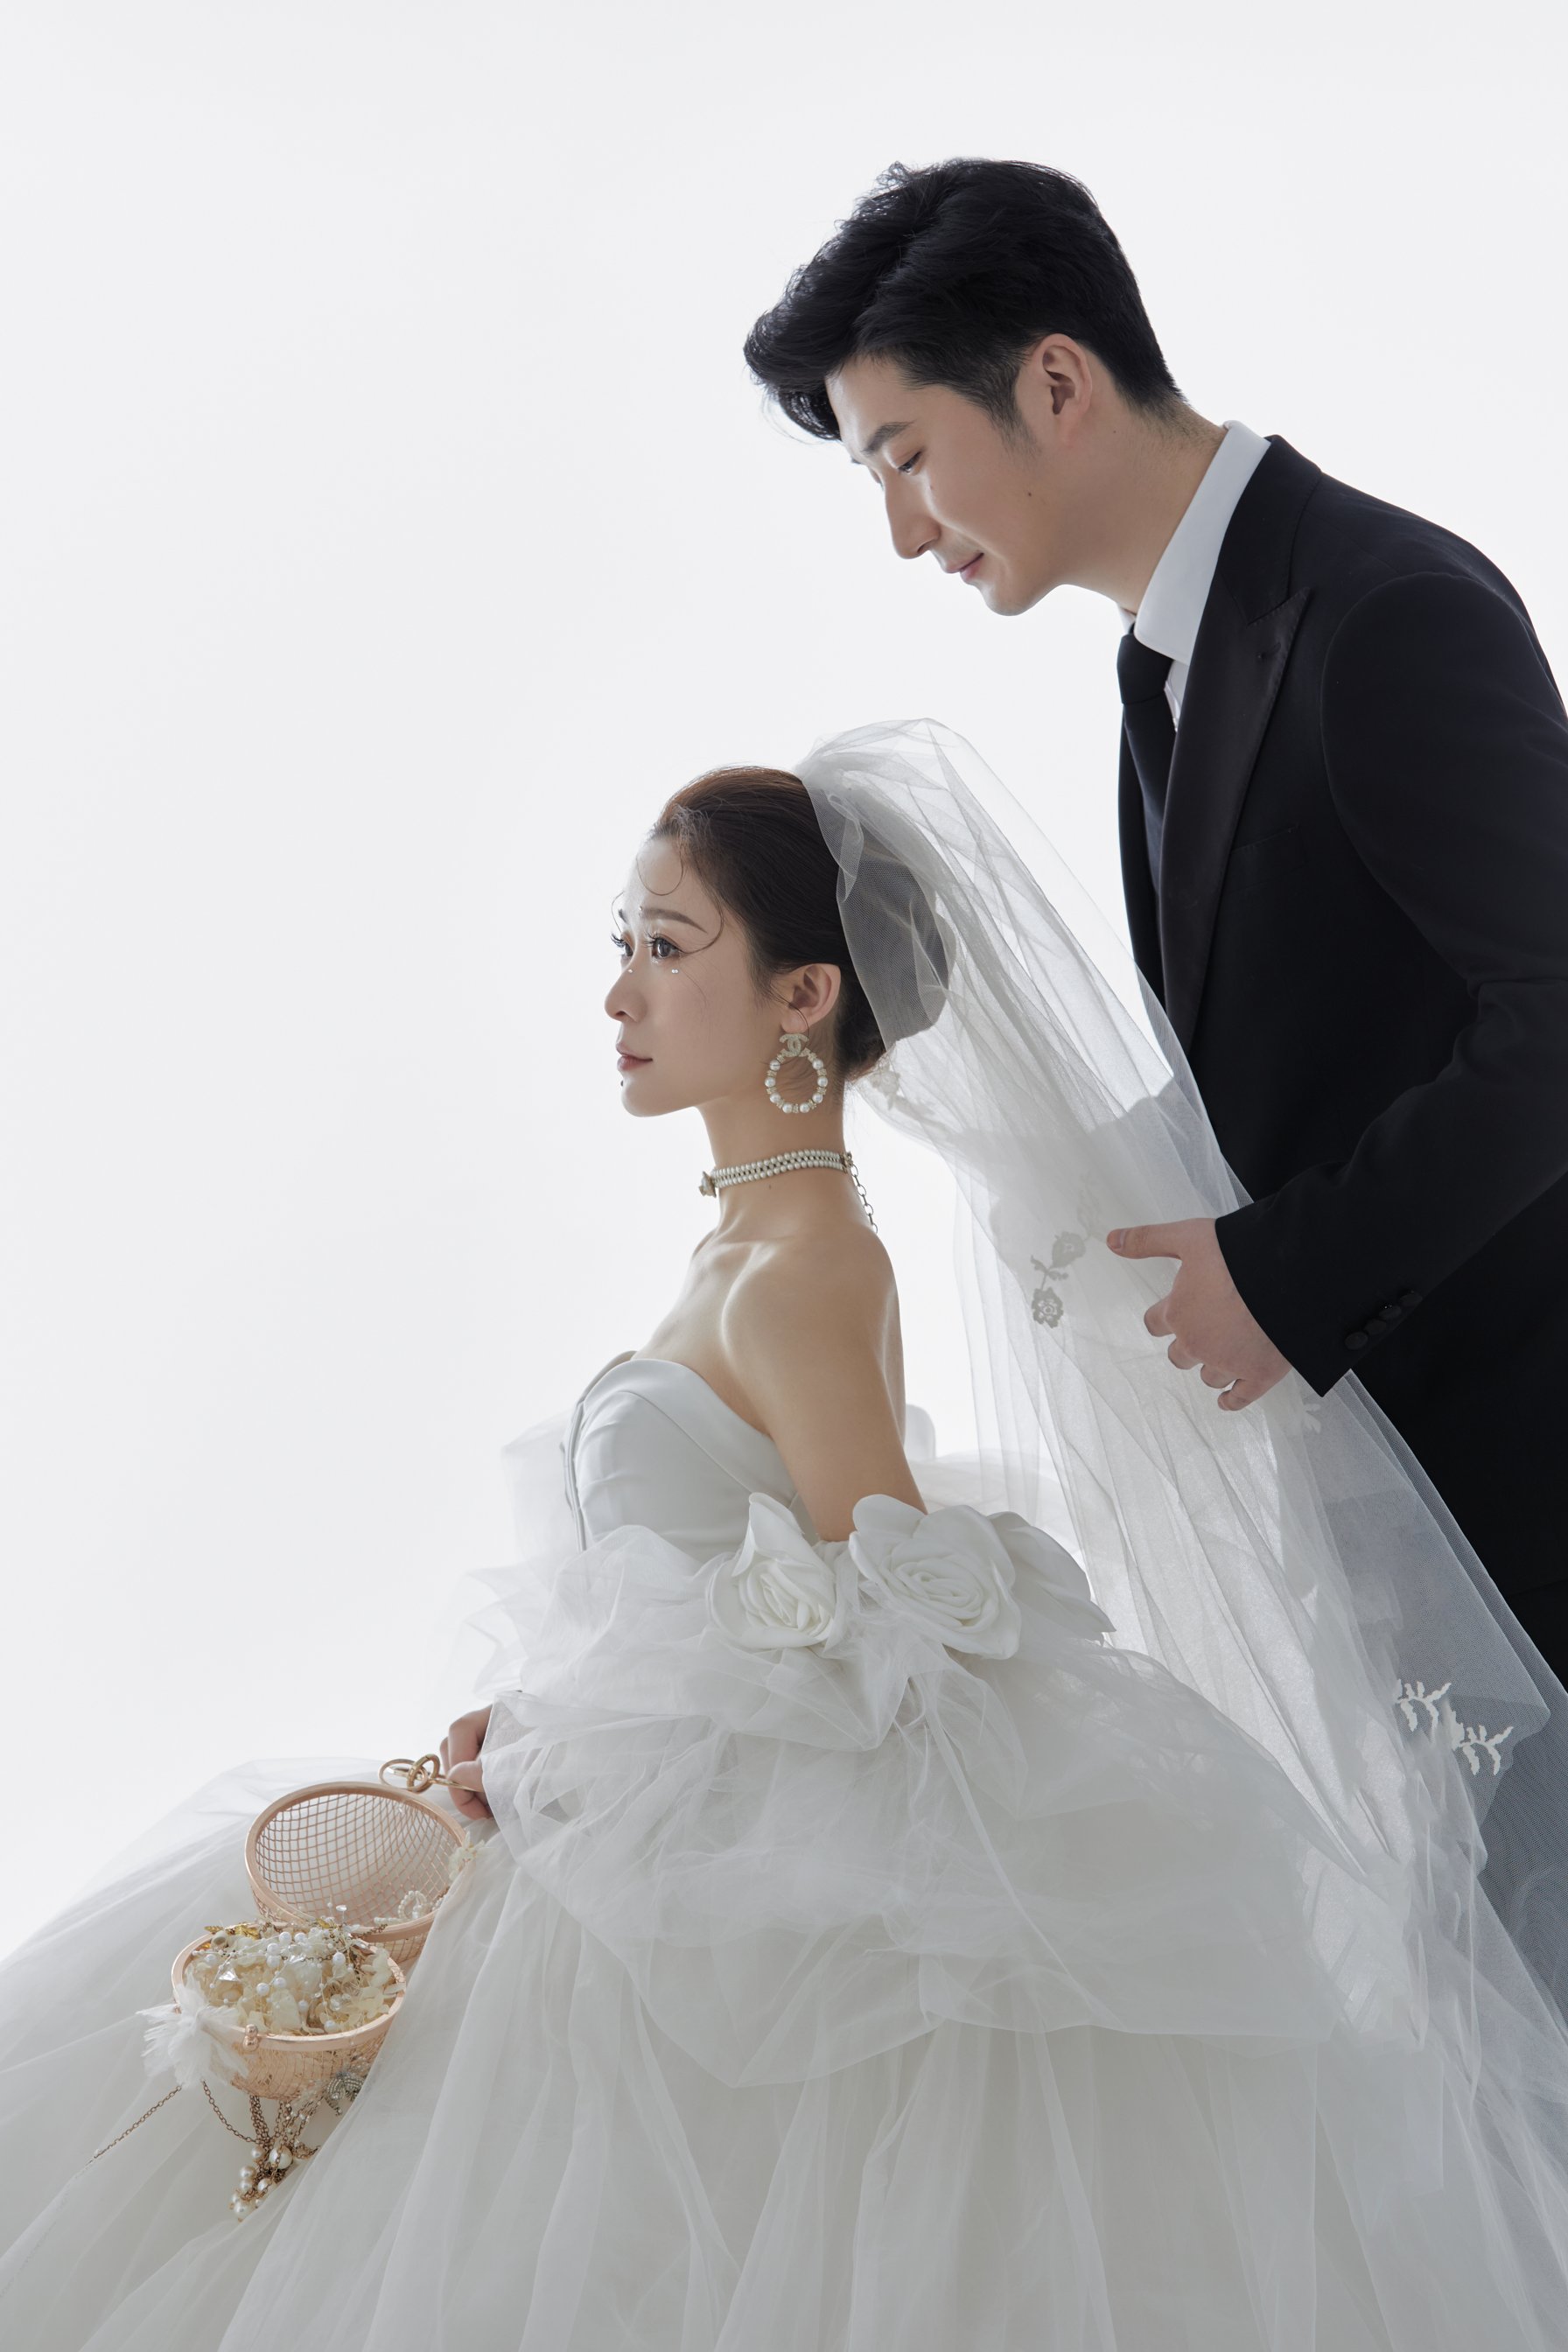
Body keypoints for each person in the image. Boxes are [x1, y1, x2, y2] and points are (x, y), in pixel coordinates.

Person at [6, 721, 1568, 2348]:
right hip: (630, 1826)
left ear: (804, 992)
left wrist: (566, 1747)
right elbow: (754, 1602)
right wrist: (547, 1726)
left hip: (713, 1912)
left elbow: (895, 1635)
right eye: (622, 943)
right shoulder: (748, 1249)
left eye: (668, 947)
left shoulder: (809, 1263)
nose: (619, 993)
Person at [741, 158, 1568, 1698]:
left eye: (906, 458)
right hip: (1407, 1517)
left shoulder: (1384, 610)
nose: (906, 533)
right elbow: (1313, 1051)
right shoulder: (1167, 661)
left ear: (1056, 384)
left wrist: (1284, 1275)